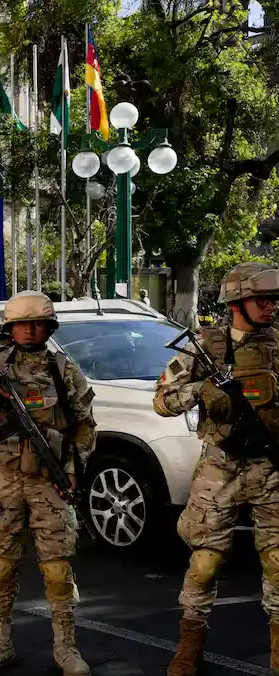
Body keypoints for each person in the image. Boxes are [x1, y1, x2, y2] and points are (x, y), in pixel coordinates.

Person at [0, 290, 96, 676]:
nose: (30, 331)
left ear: (49, 328)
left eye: (38, 324)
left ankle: (67, 649)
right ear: (10, 329)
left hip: (49, 480)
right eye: (22, 324)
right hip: (4, 480)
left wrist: (72, 466)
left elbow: (85, 428)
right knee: (0, 567)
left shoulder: (64, 371)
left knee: (57, 569)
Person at [154, 262, 279, 675]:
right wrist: (201, 390)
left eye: (274, 300)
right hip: (220, 469)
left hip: (272, 467)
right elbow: (163, 401)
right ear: (236, 301)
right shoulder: (203, 347)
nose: (270, 307)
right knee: (205, 563)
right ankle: (189, 645)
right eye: (262, 299)